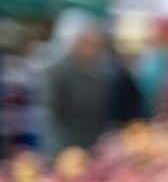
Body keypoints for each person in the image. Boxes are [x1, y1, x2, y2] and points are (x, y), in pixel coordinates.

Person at [40, 17, 114, 154]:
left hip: (90, 142)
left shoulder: (100, 73)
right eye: (89, 43)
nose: (93, 49)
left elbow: (102, 110)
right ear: (76, 43)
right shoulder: (57, 71)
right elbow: (52, 112)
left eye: (97, 45)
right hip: (63, 143)